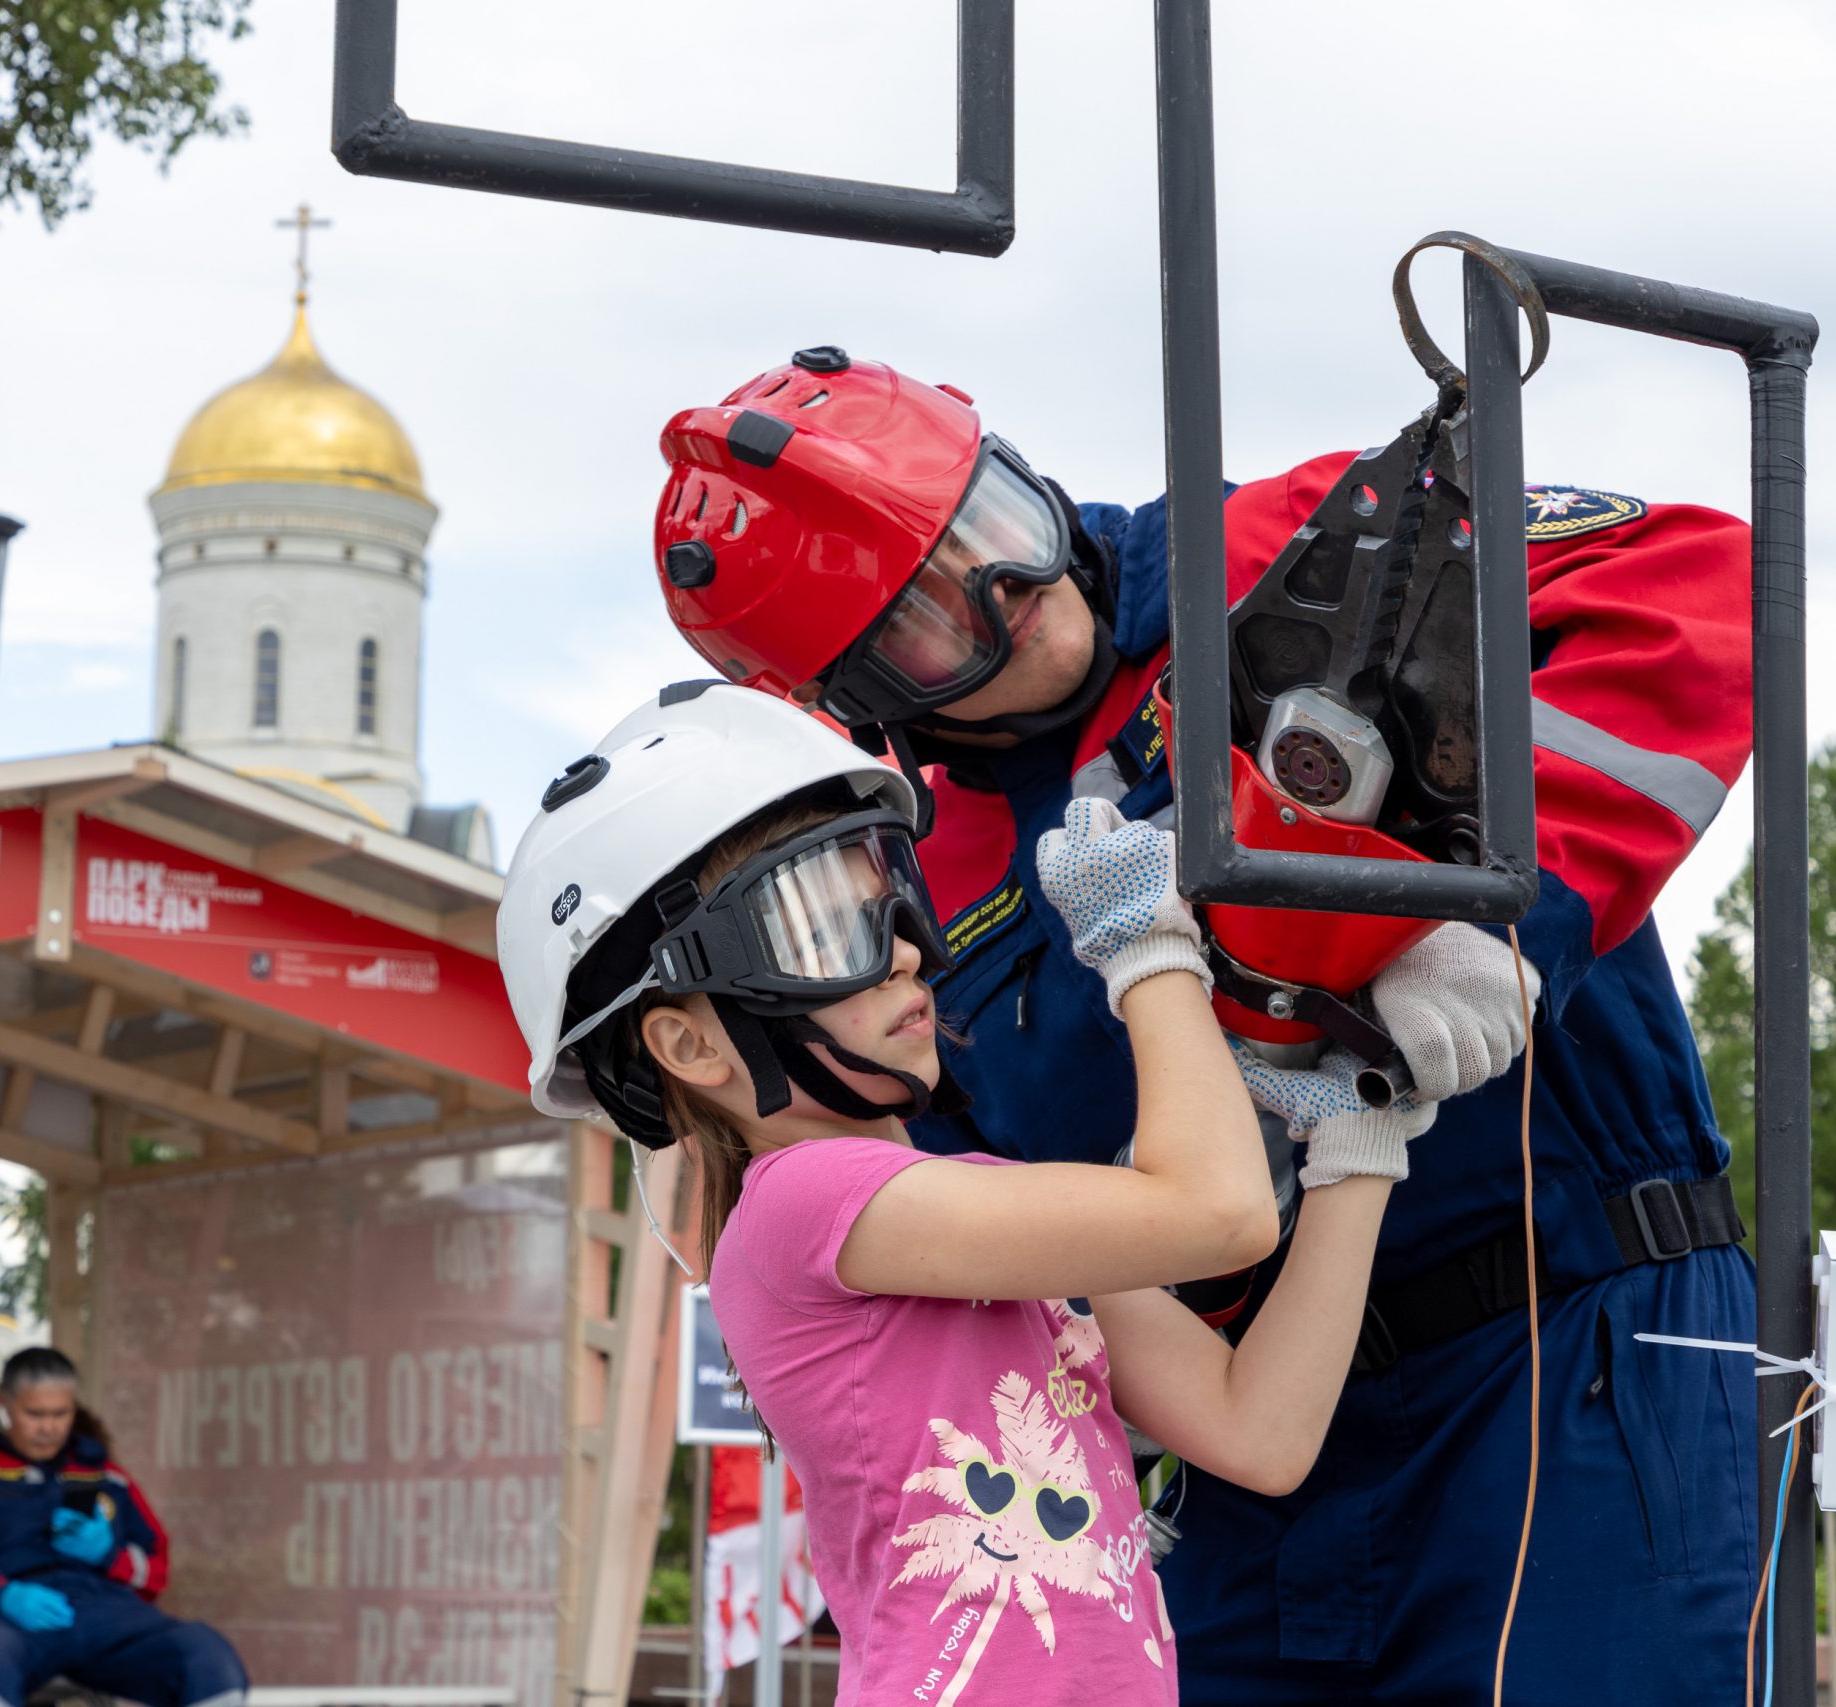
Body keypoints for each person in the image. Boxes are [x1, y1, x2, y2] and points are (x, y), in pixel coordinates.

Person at [649, 352, 1758, 1703]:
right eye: (933, 620)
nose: (1015, 598)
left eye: (994, 531)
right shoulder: (920, 890)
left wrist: (1511, 921)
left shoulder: (1282, 545)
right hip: (1263, 1439)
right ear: (863, 698)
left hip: (1569, 1351)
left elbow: (1694, 588)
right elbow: (994, 1215)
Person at [500, 682, 1456, 1705]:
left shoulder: (978, 1219)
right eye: (820, 930)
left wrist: (1362, 1133)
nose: (906, 950)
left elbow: (1258, 1434)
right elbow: (1217, 1212)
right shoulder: (801, 1204)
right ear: (687, 1045)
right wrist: (1145, 947)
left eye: (885, 893)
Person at [0, 1347, 247, 1707]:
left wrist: (109, 1555)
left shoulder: (107, 1477)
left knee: (205, 1653)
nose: (49, 1427)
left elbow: (156, 1568)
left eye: (61, 1413)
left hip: (109, 1617)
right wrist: (0, 1594)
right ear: (3, 1404)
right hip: (10, 1619)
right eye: (35, 1414)